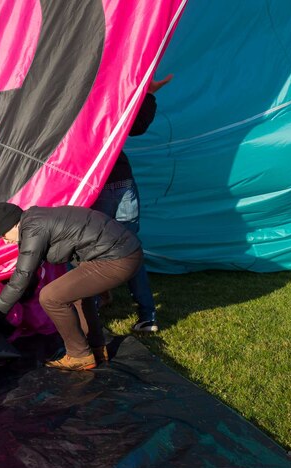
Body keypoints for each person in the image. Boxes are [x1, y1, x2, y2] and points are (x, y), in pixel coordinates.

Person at [0, 202, 143, 371]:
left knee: (50, 297)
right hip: (123, 252)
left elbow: (21, 278)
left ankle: (79, 355)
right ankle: (96, 347)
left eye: (4, 236)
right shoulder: (37, 218)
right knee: (75, 294)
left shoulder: (33, 228)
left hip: (118, 259)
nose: (5, 242)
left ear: (13, 224)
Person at [92, 74, 173, 333]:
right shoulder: (108, 102)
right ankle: (147, 315)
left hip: (99, 186)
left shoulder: (78, 106)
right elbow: (137, 126)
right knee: (129, 251)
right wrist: (148, 94)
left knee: (92, 249)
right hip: (121, 182)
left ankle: (93, 302)